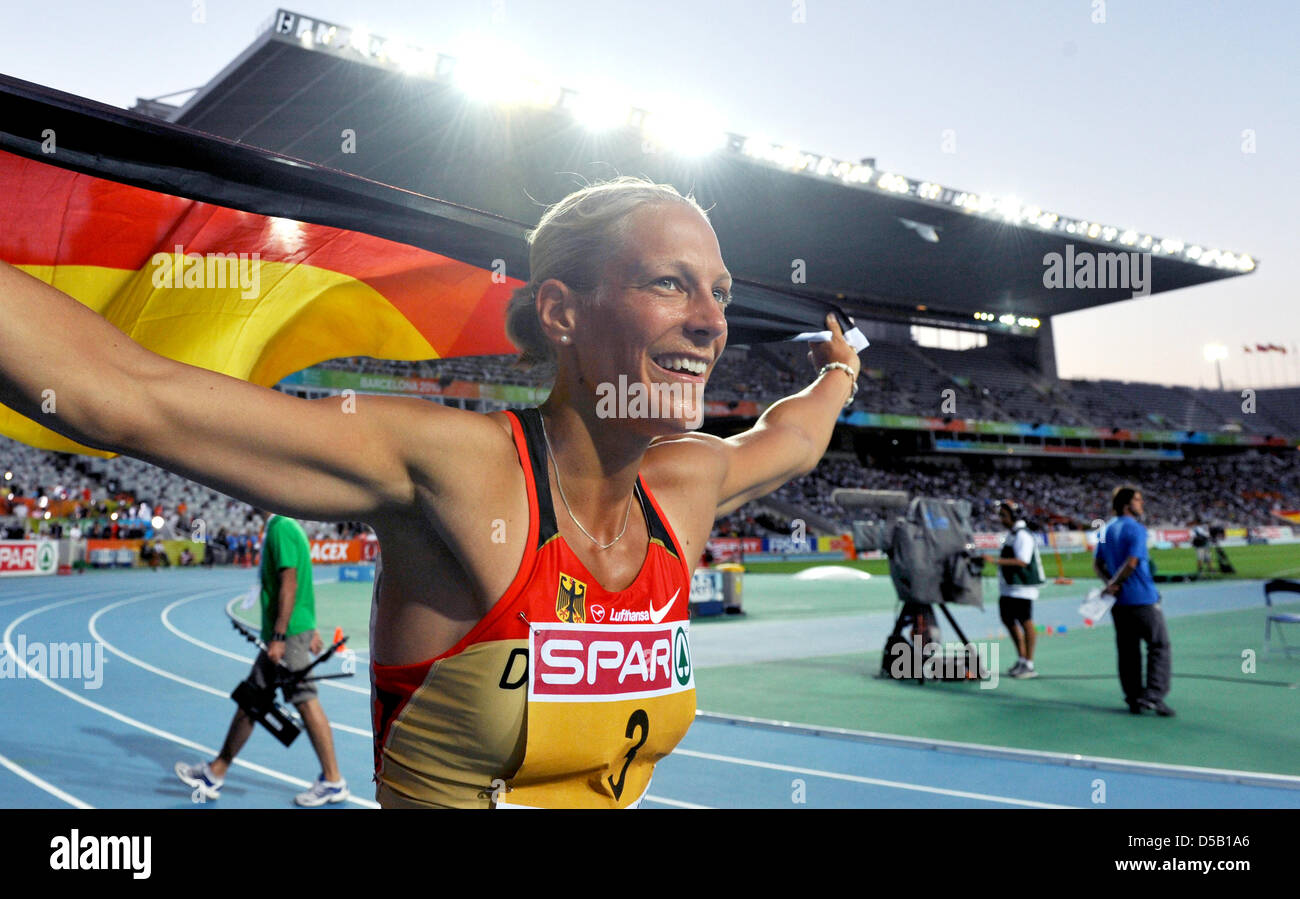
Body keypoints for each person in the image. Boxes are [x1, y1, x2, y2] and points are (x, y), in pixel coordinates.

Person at [0, 176, 861, 807]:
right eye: (668, 283)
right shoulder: (453, 466)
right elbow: (119, 396)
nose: (711, 321)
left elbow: (793, 436)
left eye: (719, 291)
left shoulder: (687, 488)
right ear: (561, 311)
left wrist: (841, 373)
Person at [174, 512, 348, 806]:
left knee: (304, 700)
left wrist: (280, 636)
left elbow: (290, 583)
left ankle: (333, 781)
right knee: (252, 699)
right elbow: (302, 582)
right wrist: (309, 627)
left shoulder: (281, 527)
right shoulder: (287, 526)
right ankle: (215, 772)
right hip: (291, 629)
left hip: (286, 634)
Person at [1094, 486, 1174, 716]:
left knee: (1128, 650)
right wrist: (1116, 581)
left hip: (1119, 602)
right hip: (1142, 598)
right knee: (1159, 645)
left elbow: (1097, 564)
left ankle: (1133, 697)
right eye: (1138, 500)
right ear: (1128, 504)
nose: (1142, 504)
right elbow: (1132, 563)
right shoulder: (1136, 529)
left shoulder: (1106, 529)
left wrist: (1110, 584)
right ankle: (1154, 695)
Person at [988, 500, 1045, 678]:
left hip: (1022, 586)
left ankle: (1028, 663)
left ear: (1013, 516)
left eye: (1003, 515)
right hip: (1010, 586)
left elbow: (1023, 561)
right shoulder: (1013, 534)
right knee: (1007, 618)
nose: (1000, 518)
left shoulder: (1022, 535)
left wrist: (995, 561)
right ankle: (1021, 659)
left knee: (1025, 620)